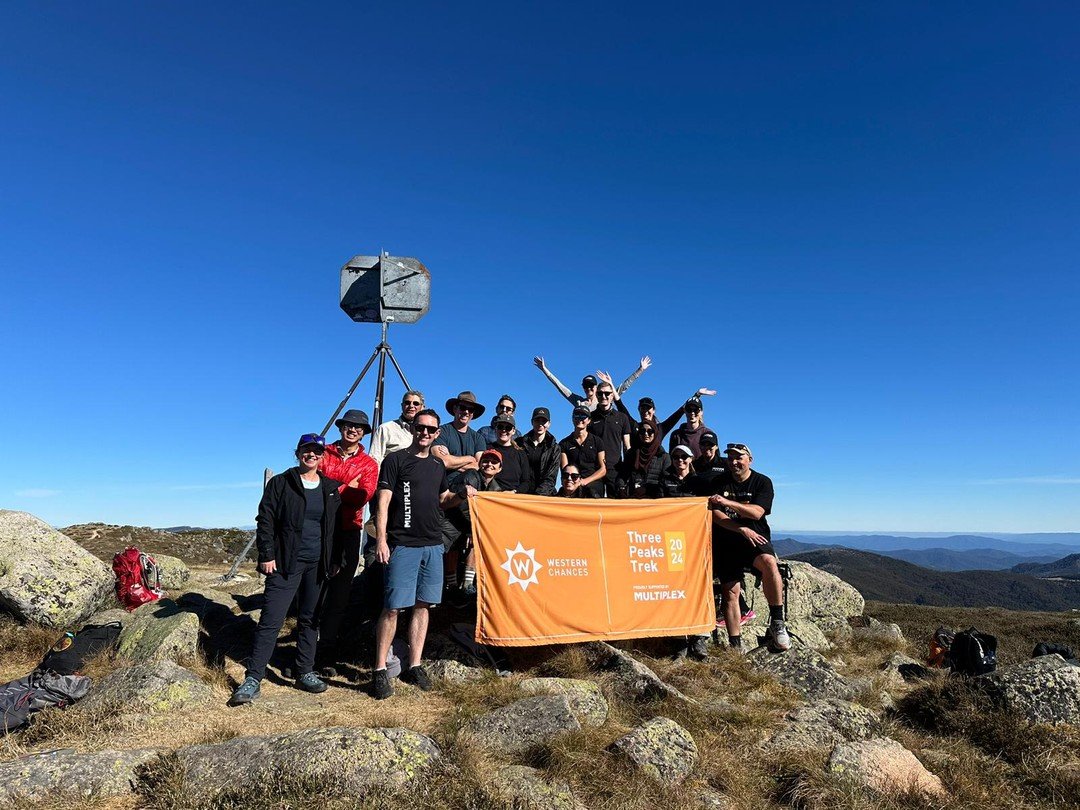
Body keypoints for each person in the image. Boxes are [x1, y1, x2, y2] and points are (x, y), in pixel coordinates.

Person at [229, 434, 342, 706]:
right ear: (298, 453)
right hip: (284, 563)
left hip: (318, 565)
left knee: (309, 619)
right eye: (306, 450)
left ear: (323, 456)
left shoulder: (329, 487)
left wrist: (334, 561)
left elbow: (335, 528)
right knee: (271, 620)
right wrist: (266, 554)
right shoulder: (282, 482)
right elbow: (265, 520)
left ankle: (305, 671)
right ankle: (253, 678)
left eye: (317, 451)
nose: (311, 455)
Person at [370, 410, 475, 699]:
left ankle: (414, 664)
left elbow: (443, 500)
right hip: (403, 543)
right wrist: (382, 539)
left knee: (423, 606)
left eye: (431, 430)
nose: (425, 433)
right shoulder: (396, 460)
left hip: (433, 544)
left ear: (437, 433)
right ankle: (379, 669)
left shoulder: (438, 465)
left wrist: (461, 496)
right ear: (414, 429)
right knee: (392, 607)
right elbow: (384, 500)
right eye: (421, 428)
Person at [708, 443, 790, 653]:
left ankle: (778, 623)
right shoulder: (718, 481)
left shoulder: (762, 482)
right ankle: (736, 647)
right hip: (727, 543)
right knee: (730, 592)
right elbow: (717, 517)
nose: (734, 462)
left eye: (739, 457)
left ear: (749, 460)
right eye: (730, 458)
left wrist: (727, 502)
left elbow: (756, 513)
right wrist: (741, 529)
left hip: (756, 540)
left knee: (770, 563)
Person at [314, 409, 379, 668]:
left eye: (358, 427)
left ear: (363, 433)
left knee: (340, 593)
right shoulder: (322, 453)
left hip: (349, 530)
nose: (352, 430)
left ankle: (327, 650)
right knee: (313, 590)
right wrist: (345, 484)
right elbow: (311, 485)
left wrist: (329, 483)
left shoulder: (369, 464)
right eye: (348, 425)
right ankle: (306, 649)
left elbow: (362, 496)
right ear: (341, 428)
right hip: (317, 529)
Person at [652, 444, 710, 660]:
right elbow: (658, 506)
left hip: (697, 541)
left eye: (684, 457)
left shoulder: (700, 482)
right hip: (673, 540)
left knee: (698, 585)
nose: (680, 460)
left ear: (691, 458)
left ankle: (699, 637)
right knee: (674, 587)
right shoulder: (664, 480)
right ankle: (679, 640)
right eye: (676, 456)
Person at [432, 391, 487, 592]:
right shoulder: (443, 431)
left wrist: (455, 460)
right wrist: (468, 460)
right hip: (447, 494)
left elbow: (479, 466)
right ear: (455, 408)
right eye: (462, 407)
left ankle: (468, 583)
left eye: (469, 409)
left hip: (470, 497)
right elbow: (442, 461)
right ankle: (451, 584)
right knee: (451, 542)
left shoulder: (478, 437)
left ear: (473, 414)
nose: (465, 411)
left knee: (474, 538)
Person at [533, 355, 652, 410]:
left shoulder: (606, 397)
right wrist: (545, 370)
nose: (588, 389)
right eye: (586, 386)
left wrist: (640, 370)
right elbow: (560, 387)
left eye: (591, 386)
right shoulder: (579, 402)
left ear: (596, 387)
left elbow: (624, 386)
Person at [588, 379, 632, 497]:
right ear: (596, 395)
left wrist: (627, 468)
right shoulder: (590, 418)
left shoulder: (622, 418)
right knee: (594, 505)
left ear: (612, 396)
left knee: (616, 506)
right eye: (600, 393)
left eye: (607, 393)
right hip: (595, 468)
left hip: (615, 468)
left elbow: (627, 446)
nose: (604, 396)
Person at [559, 407, 607, 497]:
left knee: (592, 493)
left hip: (593, 483)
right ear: (572, 419)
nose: (580, 419)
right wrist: (575, 481)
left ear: (589, 420)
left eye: (583, 416)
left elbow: (603, 469)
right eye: (576, 416)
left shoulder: (597, 441)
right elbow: (565, 470)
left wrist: (585, 481)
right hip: (573, 483)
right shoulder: (563, 444)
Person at [369, 391, 426, 465]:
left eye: (416, 403)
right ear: (402, 405)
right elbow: (374, 459)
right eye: (407, 403)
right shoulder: (386, 429)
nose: (411, 406)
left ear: (422, 407)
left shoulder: (428, 432)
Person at [617, 421, 670, 498]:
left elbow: (667, 481)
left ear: (655, 433)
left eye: (650, 431)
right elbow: (622, 476)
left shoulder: (663, 456)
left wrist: (648, 490)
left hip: (655, 501)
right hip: (634, 498)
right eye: (642, 431)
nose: (646, 434)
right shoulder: (631, 454)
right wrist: (621, 489)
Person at [517, 407, 561, 496]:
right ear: (532, 422)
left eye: (544, 421)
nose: (540, 424)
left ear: (549, 424)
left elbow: (551, 477)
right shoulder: (519, 443)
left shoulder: (554, 448)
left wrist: (538, 496)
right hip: (521, 494)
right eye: (537, 420)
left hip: (543, 496)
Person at [486, 413, 531, 492]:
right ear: (495, 429)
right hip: (491, 496)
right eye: (500, 427)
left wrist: (514, 492)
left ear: (513, 431)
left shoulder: (520, 453)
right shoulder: (487, 449)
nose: (504, 430)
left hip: (513, 498)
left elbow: (526, 482)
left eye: (508, 428)